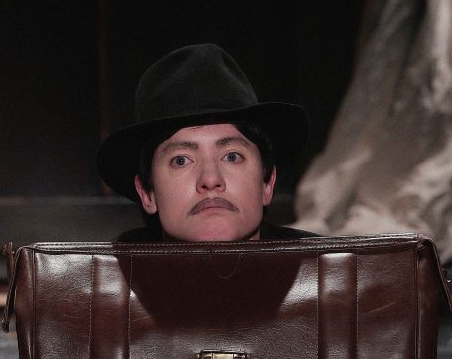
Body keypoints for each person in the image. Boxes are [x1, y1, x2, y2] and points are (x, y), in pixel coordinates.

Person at [96, 43, 317, 242]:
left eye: (232, 157)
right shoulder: (107, 274)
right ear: (147, 193)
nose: (210, 180)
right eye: (181, 160)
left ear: (267, 184)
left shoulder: (324, 269)